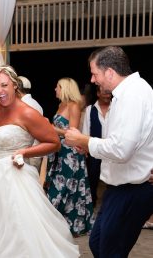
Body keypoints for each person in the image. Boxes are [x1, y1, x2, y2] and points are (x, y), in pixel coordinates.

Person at [0, 65, 80, 257]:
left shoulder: (27, 112)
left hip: (14, 180)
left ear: (14, 85)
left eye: (4, 85)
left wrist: (25, 152)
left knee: (16, 234)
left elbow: (54, 143)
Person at [64, 46, 153, 257]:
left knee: (109, 250)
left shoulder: (132, 96)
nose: (93, 80)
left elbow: (121, 149)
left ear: (110, 72)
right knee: (97, 243)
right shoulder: (128, 94)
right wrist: (87, 144)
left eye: (95, 73)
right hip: (120, 186)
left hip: (132, 189)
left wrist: (83, 139)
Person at [44, 77, 94, 237]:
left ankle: (70, 226)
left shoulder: (74, 106)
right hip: (58, 151)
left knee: (68, 188)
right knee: (57, 186)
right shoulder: (61, 105)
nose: (55, 89)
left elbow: (72, 132)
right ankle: (57, 225)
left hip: (70, 153)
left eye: (58, 86)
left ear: (65, 88)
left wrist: (51, 128)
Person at [82, 86, 112, 207]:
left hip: (111, 148)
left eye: (109, 93)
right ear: (98, 93)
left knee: (112, 177)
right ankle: (92, 202)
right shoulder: (90, 109)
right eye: (105, 93)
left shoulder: (116, 108)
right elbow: (86, 129)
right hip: (95, 148)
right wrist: (85, 147)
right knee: (93, 175)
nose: (108, 95)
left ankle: (110, 203)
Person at [18, 75, 44, 172]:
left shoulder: (24, 105)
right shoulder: (36, 104)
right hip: (36, 151)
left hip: (30, 152)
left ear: (18, 90)